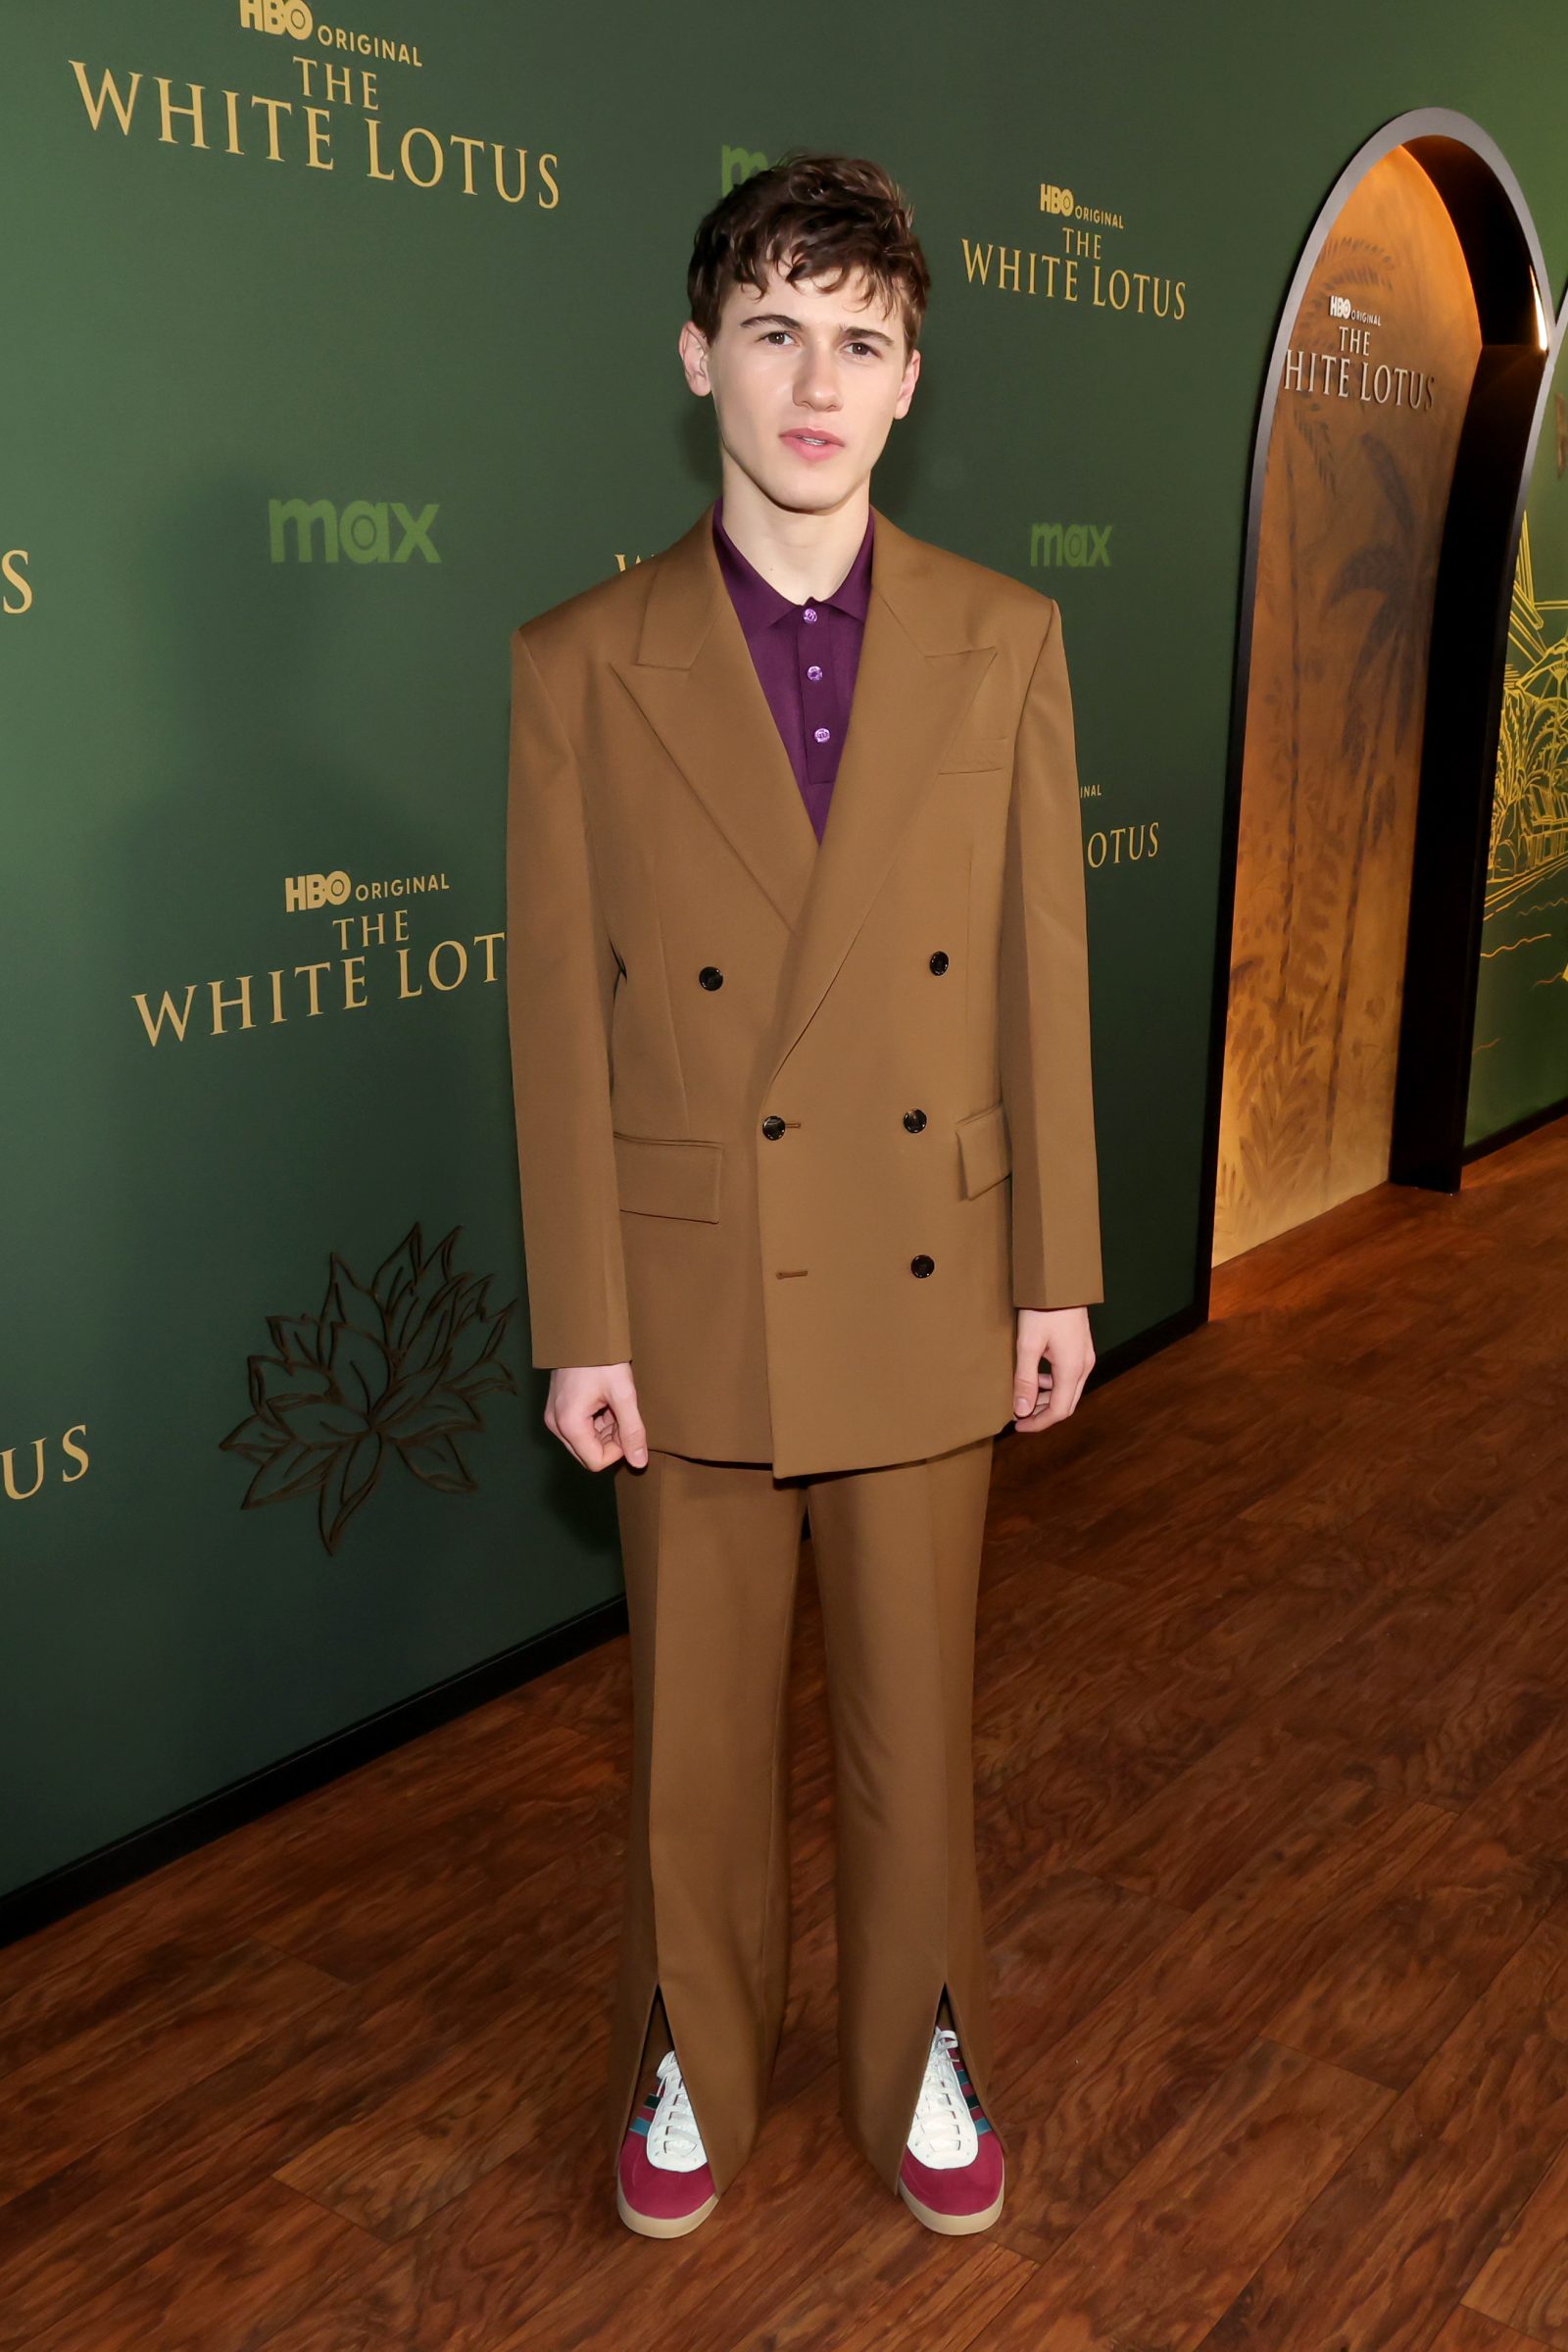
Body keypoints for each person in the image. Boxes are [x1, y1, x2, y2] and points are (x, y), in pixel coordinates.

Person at [504, 150, 1103, 2240]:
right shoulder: (576, 664)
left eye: (858, 339)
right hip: (686, 1294)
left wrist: (1058, 1272)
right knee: (689, 1730)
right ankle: (688, 2039)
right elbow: (555, 1031)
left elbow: (1041, 969)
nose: (813, 381)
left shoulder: (1007, 639)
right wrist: (578, 1315)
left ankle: (915, 2033)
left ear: (912, 376)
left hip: (932, 1273)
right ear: (698, 362)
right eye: (772, 330)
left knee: (912, 1721)